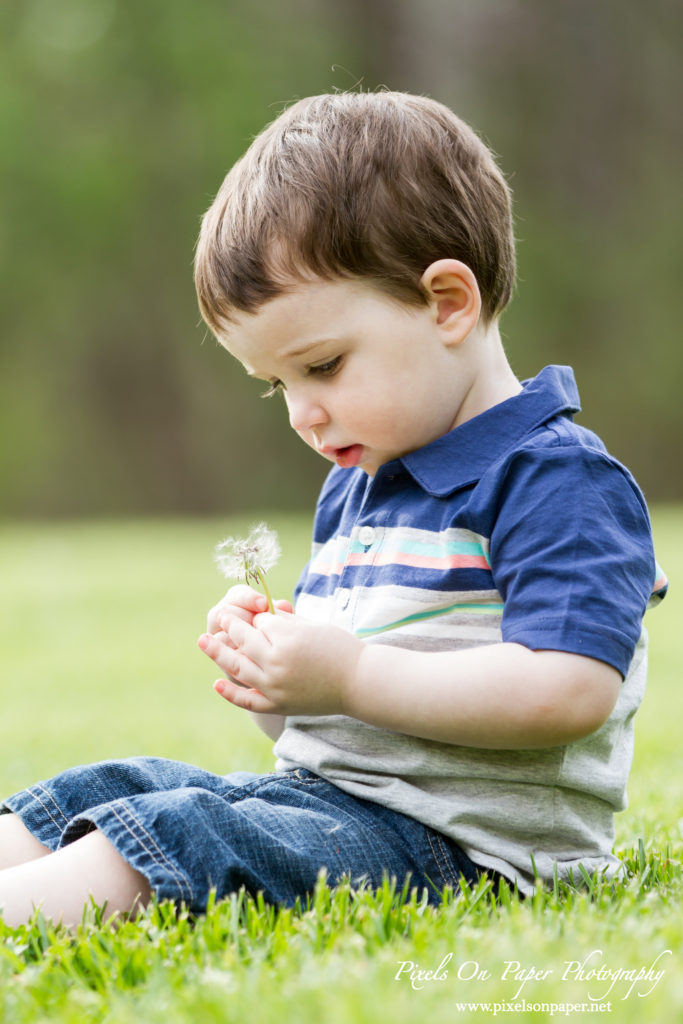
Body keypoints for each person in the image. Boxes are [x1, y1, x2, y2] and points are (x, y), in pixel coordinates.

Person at [0, 92, 667, 928]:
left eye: (322, 366)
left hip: (462, 852)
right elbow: (326, 737)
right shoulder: (360, 484)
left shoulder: (558, 483)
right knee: (117, 787)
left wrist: (348, 673)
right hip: (331, 804)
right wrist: (277, 679)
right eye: (276, 385)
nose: (300, 414)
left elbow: (564, 693)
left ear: (447, 303)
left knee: (184, 833)